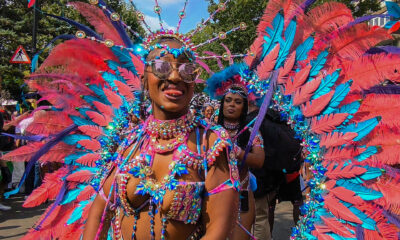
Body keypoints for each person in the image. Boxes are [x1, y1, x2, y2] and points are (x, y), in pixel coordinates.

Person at [83, 37, 239, 240]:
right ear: (144, 81)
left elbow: (218, 229)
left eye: (186, 69)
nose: (175, 76)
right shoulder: (130, 143)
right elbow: (100, 211)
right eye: (161, 67)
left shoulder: (211, 143)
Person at [215, 82, 265, 240]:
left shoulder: (252, 133)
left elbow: (259, 160)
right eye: (228, 100)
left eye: (238, 102)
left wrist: (237, 151)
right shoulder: (210, 131)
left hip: (241, 193)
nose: (232, 105)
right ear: (222, 104)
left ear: (244, 107)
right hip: (213, 194)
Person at [246, 102, 302, 240]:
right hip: (277, 173)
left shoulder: (253, 120)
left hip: (261, 175)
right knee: (265, 213)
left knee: (259, 217)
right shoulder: (273, 116)